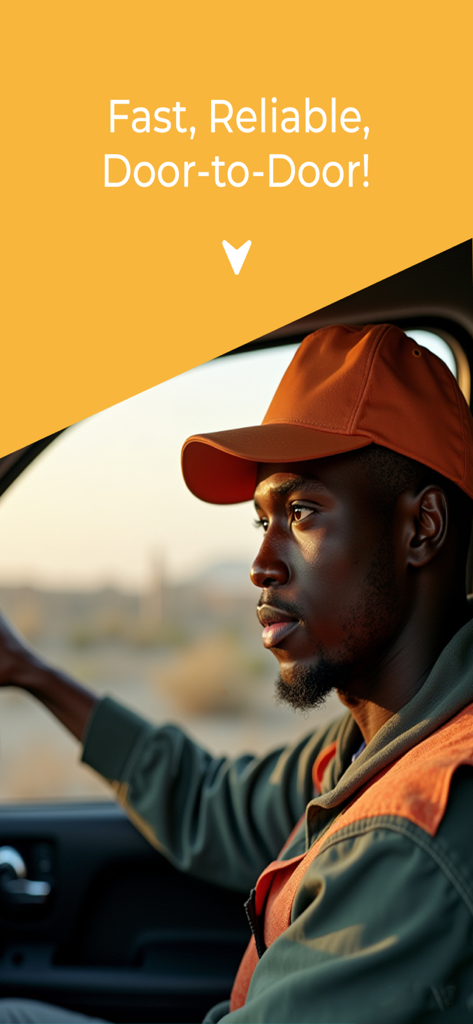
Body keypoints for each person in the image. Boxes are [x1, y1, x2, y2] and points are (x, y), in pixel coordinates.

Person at [1, 322, 473, 1023]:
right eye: (262, 520)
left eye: (303, 511)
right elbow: (209, 804)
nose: (261, 563)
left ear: (420, 529)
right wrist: (31, 672)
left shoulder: (412, 833)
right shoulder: (371, 742)